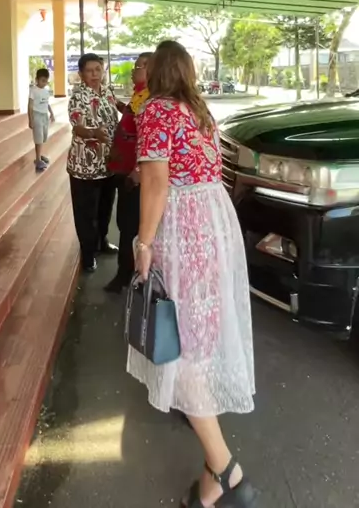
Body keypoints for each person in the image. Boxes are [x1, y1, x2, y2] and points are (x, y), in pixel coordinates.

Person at [129, 41, 256, 508]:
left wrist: (143, 243)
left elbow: (156, 182)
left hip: (183, 230)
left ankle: (225, 470)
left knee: (177, 349)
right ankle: (212, 476)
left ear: (156, 73)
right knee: (195, 338)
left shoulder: (157, 111)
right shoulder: (199, 110)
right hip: (213, 226)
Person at [67, 53, 120, 273]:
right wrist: (93, 133)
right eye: (89, 71)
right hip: (84, 167)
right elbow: (77, 126)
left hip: (108, 163)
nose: (95, 74)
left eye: (98, 69)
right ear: (81, 74)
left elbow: (118, 110)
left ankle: (102, 241)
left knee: (105, 208)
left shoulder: (107, 92)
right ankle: (88, 254)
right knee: (86, 213)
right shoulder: (78, 96)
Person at [105, 52, 152, 293]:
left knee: (130, 225)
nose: (135, 70)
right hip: (125, 169)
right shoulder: (139, 94)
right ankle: (127, 272)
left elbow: (146, 139)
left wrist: (136, 170)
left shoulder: (150, 98)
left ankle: (129, 274)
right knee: (126, 223)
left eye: (140, 66)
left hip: (137, 175)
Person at [28, 67, 55, 173]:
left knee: (43, 137)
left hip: (44, 116)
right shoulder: (33, 90)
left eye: (46, 81)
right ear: (37, 79)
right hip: (36, 115)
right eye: (42, 80)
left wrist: (51, 113)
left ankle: (39, 155)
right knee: (38, 137)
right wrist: (30, 119)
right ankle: (38, 159)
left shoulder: (46, 91)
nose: (44, 83)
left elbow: (47, 103)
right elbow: (30, 106)